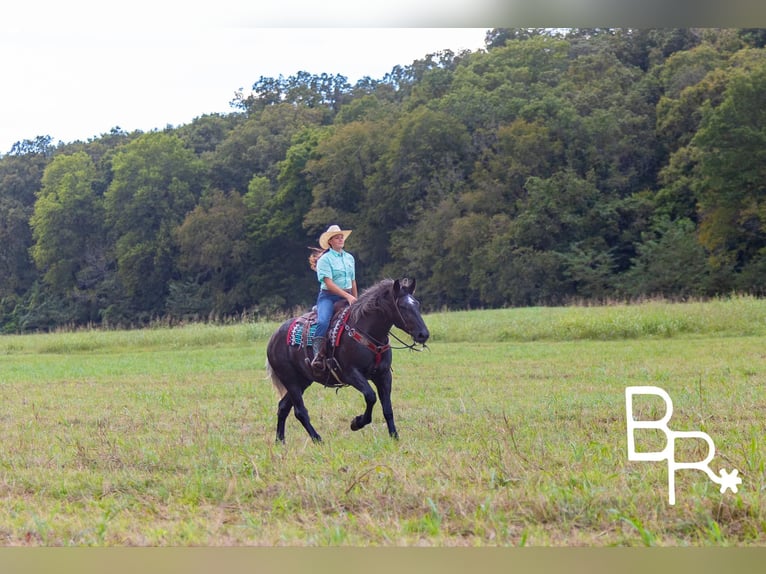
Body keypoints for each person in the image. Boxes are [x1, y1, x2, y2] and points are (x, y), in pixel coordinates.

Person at [307, 224, 358, 373]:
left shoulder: (349, 258)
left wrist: (356, 299)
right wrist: (348, 296)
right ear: (330, 241)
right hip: (329, 297)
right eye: (337, 237)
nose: (341, 239)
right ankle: (318, 355)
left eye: (341, 236)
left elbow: (353, 280)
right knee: (323, 321)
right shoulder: (325, 260)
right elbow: (328, 283)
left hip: (348, 294)